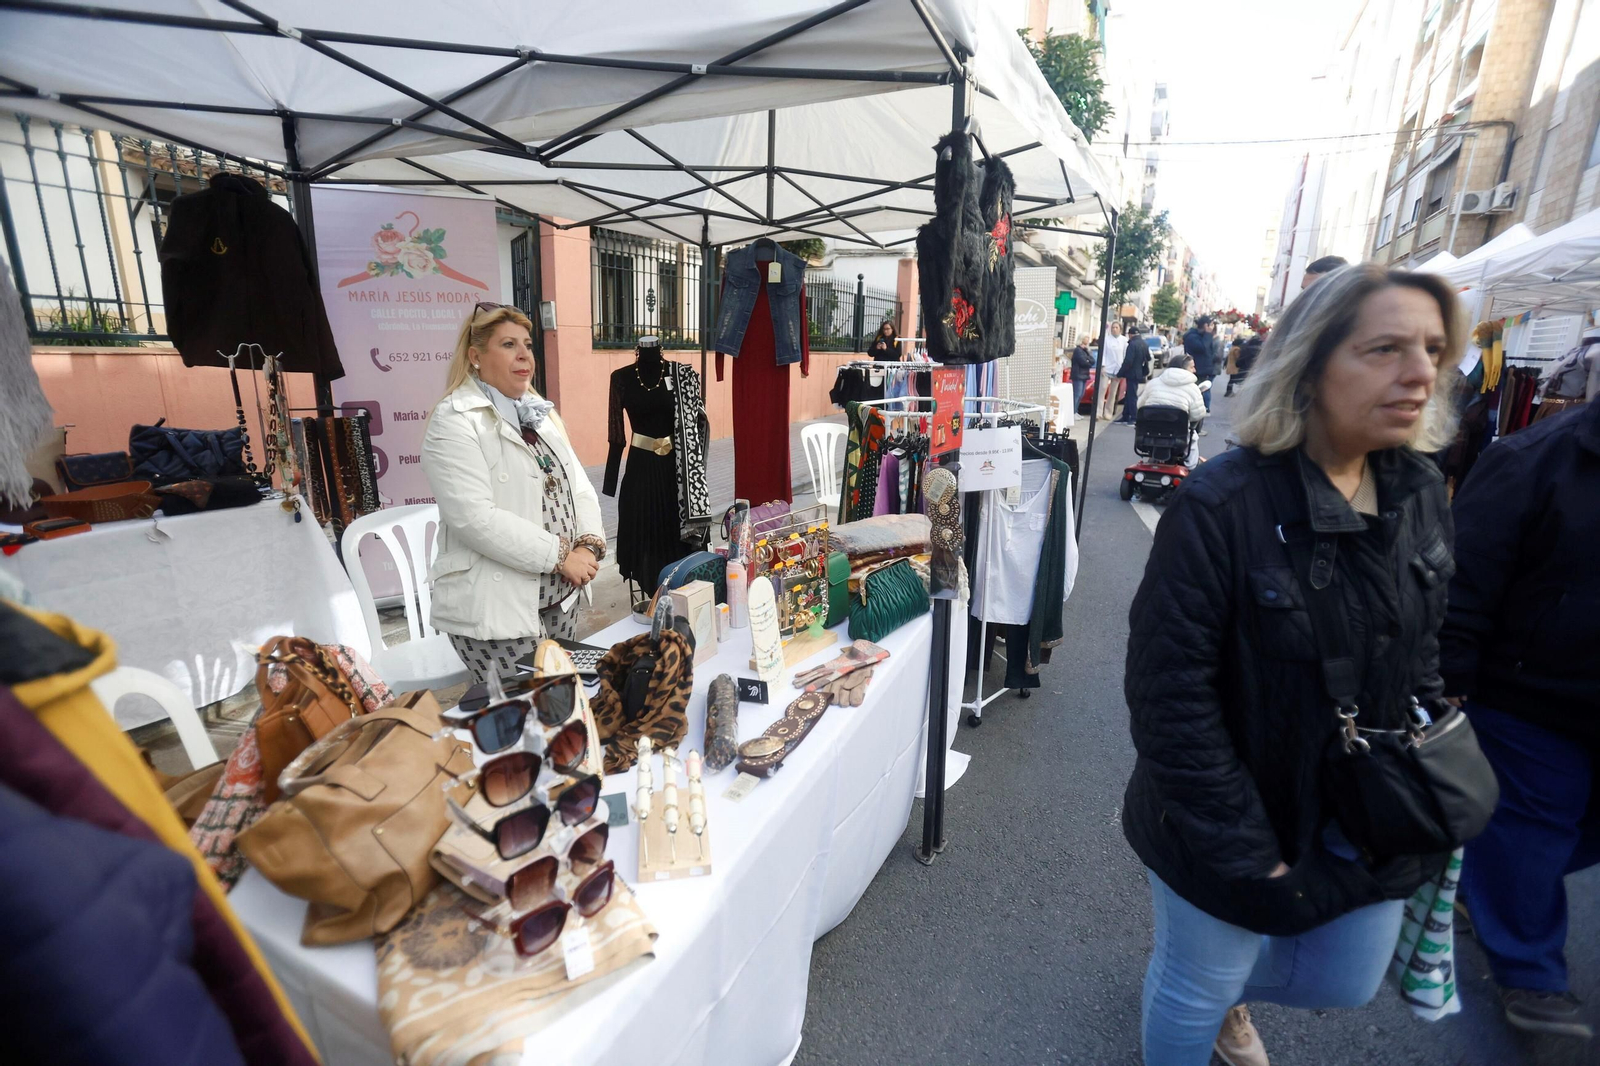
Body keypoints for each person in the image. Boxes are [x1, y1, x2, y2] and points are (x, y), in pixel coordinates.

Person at [1123, 264, 1467, 1066]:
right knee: (1197, 982)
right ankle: (1207, 994)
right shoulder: (1220, 505)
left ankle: (1217, 987)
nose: (1420, 373)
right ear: (1310, 365)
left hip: (1363, 810)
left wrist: (1426, 760)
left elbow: (1422, 646)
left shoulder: (1420, 491)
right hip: (1229, 818)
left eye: (1431, 349)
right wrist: (1247, 851)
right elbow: (1170, 699)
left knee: (1344, 981)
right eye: (1384, 349)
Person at [1440, 398, 1600, 1039]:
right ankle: (1532, 974)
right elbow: (1463, 574)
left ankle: (1487, 878)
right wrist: (1449, 681)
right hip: (1531, 698)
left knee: (1540, 841)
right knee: (1532, 831)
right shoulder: (1533, 459)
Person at [422, 303, 607, 683]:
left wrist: (588, 546)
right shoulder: (453, 420)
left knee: (562, 703)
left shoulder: (539, 414)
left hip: (560, 599)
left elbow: (579, 487)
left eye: (527, 344)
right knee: (528, 709)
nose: (524, 354)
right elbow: (474, 518)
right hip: (496, 610)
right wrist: (561, 557)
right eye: (508, 345)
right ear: (475, 356)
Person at [1139, 352, 1208, 465]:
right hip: (1179, 436)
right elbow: (1198, 415)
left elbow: (1140, 406)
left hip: (1149, 433)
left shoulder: (1153, 383)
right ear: (1183, 368)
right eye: (1192, 367)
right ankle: (1191, 466)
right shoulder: (1193, 388)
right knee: (1193, 438)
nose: (1195, 370)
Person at [1183, 315, 1221, 416]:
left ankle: (1203, 409)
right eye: (1210, 325)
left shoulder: (1202, 336)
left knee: (1204, 389)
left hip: (1203, 370)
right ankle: (1199, 410)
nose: (1212, 328)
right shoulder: (1192, 336)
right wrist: (1208, 334)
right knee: (1198, 391)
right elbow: (1203, 348)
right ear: (1205, 326)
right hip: (1196, 369)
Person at [1116, 328, 1152, 424]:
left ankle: (1133, 417)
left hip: (1131, 373)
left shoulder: (1132, 344)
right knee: (1129, 395)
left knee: (1131, 396)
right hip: (1139, 372)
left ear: (1130, 334)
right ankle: (1126, 415)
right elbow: (1148, 357)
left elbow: (1128, 361)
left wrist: (1120, 373)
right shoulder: (1144, 343)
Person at [1099, 321, 1129, 419]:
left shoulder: (1124, 340)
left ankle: (1108, 412)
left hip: (1117, 370)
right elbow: (1103, 353)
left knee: (1113, 393)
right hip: (1107, 368)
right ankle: (1098, 412)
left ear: (1120, 329)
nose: (1114, 329)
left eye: (1116, 327)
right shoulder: (1106, 339)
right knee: (1102, 389)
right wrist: (1103, 366)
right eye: (1113, 327)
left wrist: (1123, 369)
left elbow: (1125, 355)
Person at [1070, 337, 1096, 412]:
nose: (1088, 340)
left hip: (1085, 375)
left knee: (1081, 395)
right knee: (1077, 395)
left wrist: (1088, 360)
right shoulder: (1078, 350)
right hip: (1078, 375)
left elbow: (1092, 360)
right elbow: (1083, 362)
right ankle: (1073, 412)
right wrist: (1088, 362)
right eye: (1086, 338)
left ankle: (1076, 411)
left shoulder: (1086, 350)